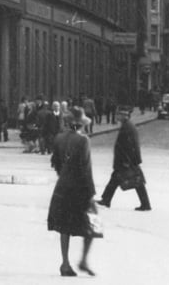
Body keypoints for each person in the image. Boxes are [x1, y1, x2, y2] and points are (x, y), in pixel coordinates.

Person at [47, 107, 96, 277]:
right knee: (92, 224)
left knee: (64, 226)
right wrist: (91, 192)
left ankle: (65, 263)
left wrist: (64, 176)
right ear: (81, 124)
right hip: (80, 187)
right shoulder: (83, 140)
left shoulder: (59, 138)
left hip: (62, 187)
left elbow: (56, 163)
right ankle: (83, 259)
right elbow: (86, 168)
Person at [97, 107, 151, 212]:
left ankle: (145, 204)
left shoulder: (127, 127)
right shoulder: (127, 126)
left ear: (123, 116)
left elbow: (130, 146)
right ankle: (106, 199)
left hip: (126, 161)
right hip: (126, 160)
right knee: (119, 179)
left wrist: (127, 161)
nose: (116, 116)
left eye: (118, 115)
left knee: (136, 181)